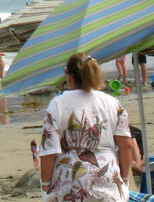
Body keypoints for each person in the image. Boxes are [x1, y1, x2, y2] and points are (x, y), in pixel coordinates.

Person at [39, 54, 132, 202]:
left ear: (69, 77)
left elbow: (49, 152)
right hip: (107, 176)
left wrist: (45, 186)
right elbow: (126, 145)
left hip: (70, 180)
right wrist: (125, 179)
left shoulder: (57, 104)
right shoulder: (113, 103)